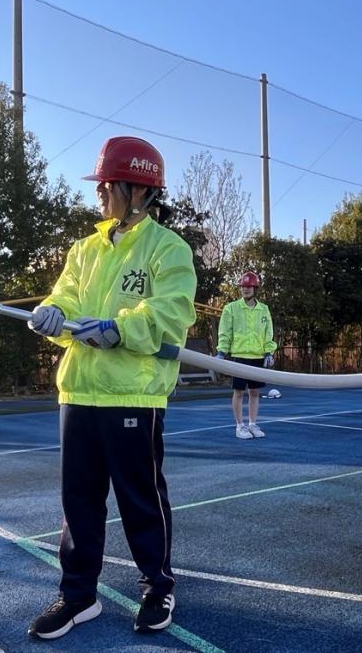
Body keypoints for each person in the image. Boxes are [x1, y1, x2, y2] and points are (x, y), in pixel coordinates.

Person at [26, 137, 197, 638]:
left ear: (138, 189)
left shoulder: (169, 249)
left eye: (107, 183)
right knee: (78, 500)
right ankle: (78, 596)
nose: (99, 191)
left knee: (140, 497)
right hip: (78, 389)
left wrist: (120, 327)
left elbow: (170, 312)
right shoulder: (83, 250)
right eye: (100, 183)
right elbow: (65, 296)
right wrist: (52, 314)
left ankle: (158, 586)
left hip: (133, 395)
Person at [217, 271, 278, 439]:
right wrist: (222, 353)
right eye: (243, 286)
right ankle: (240, 426)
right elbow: (225, 332)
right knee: (238, 392)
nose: (246, 289)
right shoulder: (231, 308)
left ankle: (252, 424)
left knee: (255, 392)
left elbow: (268, 333)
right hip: (239, 356)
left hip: (257, 357)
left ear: (255, 288)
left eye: (249, 286)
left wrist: (269, 352)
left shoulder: (263, 310)